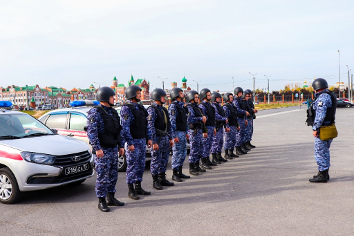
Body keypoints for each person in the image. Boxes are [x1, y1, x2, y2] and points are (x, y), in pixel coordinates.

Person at [87, 86, 125, 212]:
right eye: (112, 96)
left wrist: (120, 145)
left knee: (113, 175)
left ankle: (111, 198)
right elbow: (92, 132)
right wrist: (97, 148)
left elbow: (118, 131)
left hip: (113, 149)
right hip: (102, 150)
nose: (114, 98)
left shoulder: (113, 112)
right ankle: (101, 201)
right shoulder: (95, 112)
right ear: (105, 98)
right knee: (103, 177)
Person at [121, 85, 152, 200]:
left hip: (142, 141)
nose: (140, 95)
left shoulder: (140, 107)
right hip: (133, 142)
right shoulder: (126, 108)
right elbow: (125, 128)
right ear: (132, 94)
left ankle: (138, 186)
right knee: (132, 166)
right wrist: (130, 143)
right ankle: (131, 190)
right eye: (138, 93)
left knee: (140, 165)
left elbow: (146, 124)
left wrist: (148, 138)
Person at [308, 78, 336, 183]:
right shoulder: (328, 95)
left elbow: (320, 115)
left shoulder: (323, 97)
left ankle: (323, 175)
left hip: (323, 129)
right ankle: (322, 172)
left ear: (316, 88)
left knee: (320, 152)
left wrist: (315, 128)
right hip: (328, 127)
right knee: (324, 151)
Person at [147, 88, 174, 190]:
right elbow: (150, 126)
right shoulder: (152, 109)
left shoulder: (164, 110)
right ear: (157, 97)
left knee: (164, 159)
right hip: (157, 139)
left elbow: (169, 125)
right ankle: (155, 181)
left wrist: (170, 138)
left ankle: (162, 178)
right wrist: (153, 141)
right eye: (163, 97)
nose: (165, 98)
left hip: (165, 138)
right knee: (155, 160)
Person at [168, 88, 190, 182]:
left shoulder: (182, 106)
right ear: (176, 95)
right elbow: (172, 122)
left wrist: (186, 132)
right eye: (181, 93)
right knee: (177, 153)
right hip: (177, 133)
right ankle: (174, 173)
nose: (182, 94)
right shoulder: (173, 106)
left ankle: (180, 172)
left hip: (182, 132)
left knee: (183, 153)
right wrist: (174, 136)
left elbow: (185, 120)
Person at [186, 90, 207, 175]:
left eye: (198, 97)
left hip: (199, 130)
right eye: (196, 97)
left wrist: (204, 118)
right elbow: (190, 119)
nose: (198, 99)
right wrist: (200, 119)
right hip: (193, 131)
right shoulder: (189, 107)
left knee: (199, 149)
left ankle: (197, 166)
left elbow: (202, 116)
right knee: (194, 149)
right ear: (191, 98)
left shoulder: (197, 107)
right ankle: (192, 168)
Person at [199, 88, 219, 169]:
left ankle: (207, 160)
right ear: (204, 96)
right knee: (205, 145)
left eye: (210, 95)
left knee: (209, 144)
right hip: (206, 128)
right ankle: (203, 162)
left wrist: (214, 127)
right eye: (208, 95)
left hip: (211, 127)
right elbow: (203, 119)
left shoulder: (210, 106)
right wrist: (204, 130)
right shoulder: (202, 106)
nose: (210, 96)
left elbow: (213, 117)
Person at [210, 92, 229, 162]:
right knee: (215, 143)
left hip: (221, 126)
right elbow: (216, 116)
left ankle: (219, 155)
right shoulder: (213, 106)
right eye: (218, 98)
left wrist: (225, 124)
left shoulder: (219, 106)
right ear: (214, 98)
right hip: (216, 126)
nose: (219, 99)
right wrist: (224, 119)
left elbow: (223, 115)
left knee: (220, 142)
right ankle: (214, 157)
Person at [233, 87, 250, 155]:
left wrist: (245, 118)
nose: (240, 94)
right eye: (239, 92)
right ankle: (237, 148)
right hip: (238, 118)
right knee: (239, 134)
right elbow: (237, 109)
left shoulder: (241, 100)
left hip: (242, 118)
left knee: (242, 134)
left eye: (241, 92)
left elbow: (243, 108)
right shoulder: (235, 101)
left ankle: (240, 147)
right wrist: (244, 112)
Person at [222, 92, 240, 159]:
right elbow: (226, 117)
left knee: (233, 140)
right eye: (231, 97)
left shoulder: (233, 107)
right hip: (229, 126)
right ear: (227, 98)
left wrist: (237, 125)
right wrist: (227, 126)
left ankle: (231, 152)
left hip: (233, 125)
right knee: (228, 140)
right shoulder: (225, 107)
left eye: (232, 97)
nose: (232, 99)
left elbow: (235, 117)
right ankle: (226, 154)